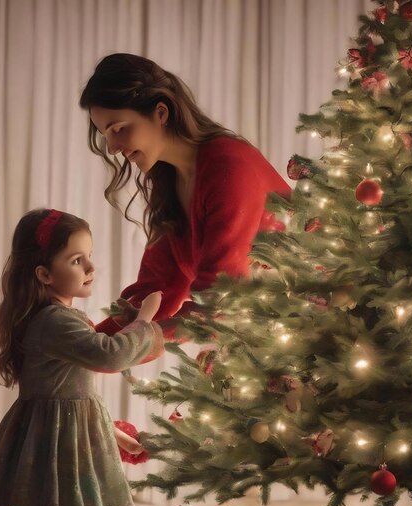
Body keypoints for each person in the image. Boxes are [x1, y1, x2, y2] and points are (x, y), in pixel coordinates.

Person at [0, 209, 163, 506]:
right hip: (50, 455)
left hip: (65, 448)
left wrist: (116, 436)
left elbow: (77, 396)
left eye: (89, 255)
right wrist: (144, 321)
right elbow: (111, 355)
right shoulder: (54, 321)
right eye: (76, 259)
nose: (90, 266)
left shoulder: (66, 317)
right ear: (44, 275)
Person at [79, 53, 291, 337]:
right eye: (107, 136)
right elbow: (155, 292)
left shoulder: (229, 167)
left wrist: (137, 339)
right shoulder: (171, 181)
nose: (114, 147)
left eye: (119, 129)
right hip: (262, 350)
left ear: (161, 113)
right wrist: (80, 346)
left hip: (322, 342)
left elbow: (221, 304)